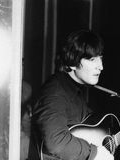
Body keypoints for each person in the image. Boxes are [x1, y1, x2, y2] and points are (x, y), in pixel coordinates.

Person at [28, 30, 114, 160]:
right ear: (72, 62)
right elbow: (56, 142)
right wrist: (94, 153)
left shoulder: (74, 90)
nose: (100, 66)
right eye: (92, 59)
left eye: (100, 58)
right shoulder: (55, 92)